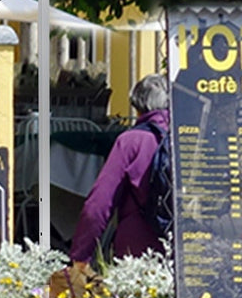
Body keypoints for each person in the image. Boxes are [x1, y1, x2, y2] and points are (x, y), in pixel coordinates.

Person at [66, 73, 170, 271]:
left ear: (138, 106)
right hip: (188, 252)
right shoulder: (189, 141)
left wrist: (80, 257)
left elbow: (98, 205)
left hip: (137, 252)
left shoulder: (131, 141)